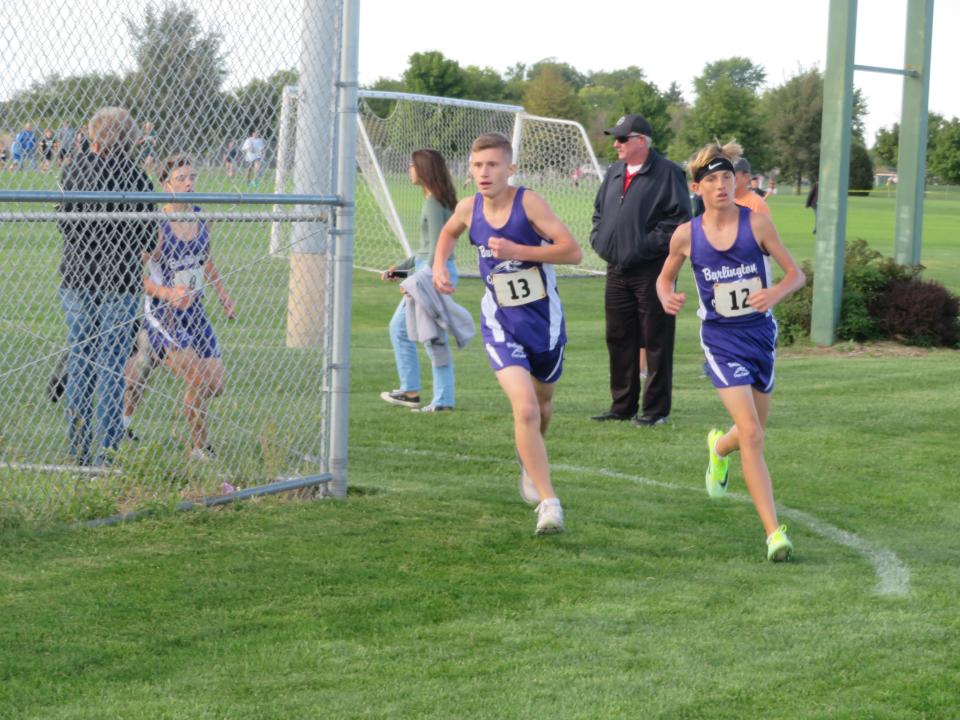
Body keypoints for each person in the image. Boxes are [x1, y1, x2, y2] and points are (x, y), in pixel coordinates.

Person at [655, 140, 806, 562]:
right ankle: (774, 533)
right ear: (697, 187)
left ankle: (719, 449)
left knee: (754, 428)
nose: (721, 186)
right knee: (754, 435)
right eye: (711, 180)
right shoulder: (686, 235)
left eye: (726, 177)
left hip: (760, 336)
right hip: (720, 340)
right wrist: (667, 295)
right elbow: (664, 279)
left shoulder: (756, 224)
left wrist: (774, 292)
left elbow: (796, 275)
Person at [433, 132, 582, 535]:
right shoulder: (468, 208)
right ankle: (549, 504)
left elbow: (572, 251)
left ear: (510, 169)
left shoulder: (529, 203)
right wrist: (438, 267)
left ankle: (530, 459)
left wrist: (521, 251)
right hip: (500, 322)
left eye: (493, 165)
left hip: (544, 321)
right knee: (526, 408)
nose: (484, 173)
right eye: (477, 165)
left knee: (543, 406)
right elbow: (448, 233)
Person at [57, 107, 156, 465]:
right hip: (122, 280)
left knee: (81, 359)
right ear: (131, 139)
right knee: (113, 366)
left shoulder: (74, 171)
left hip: (78, 277)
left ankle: (79, 449)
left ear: (94, 136)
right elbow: (148, 238)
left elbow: (64, 225)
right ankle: (106, 453)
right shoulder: (138, 179)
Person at [589, 114, 691, 426]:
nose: (616, 144)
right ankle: (622, 406)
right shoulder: (615, 172)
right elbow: (599, 212)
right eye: (615, 138)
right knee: (619, 337)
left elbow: (679, 219)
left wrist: (644, 246)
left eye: (622, 138)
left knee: (656, 339)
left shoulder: (668, 173)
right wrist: (601, 240)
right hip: (617, 270)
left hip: (652, 271)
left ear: (641, 141)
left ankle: (655, 410)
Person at [141, 155, 235, 460]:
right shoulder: (157, 224)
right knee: (195, 377)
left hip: (195, 310)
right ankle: (199, 447)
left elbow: (205, 259)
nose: (189, 183)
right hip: (163, 311)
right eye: (181, 178)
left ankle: (148, 359)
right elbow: (134, 274)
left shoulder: (202, 216)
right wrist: (168, 292)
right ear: (166, 183)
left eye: (192, 176)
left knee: (215, 384)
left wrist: (223, 295)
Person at [380, 149, 461, 412]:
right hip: (431, 271)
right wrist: (401, 270)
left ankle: (422, 394)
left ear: (424, 170)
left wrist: (416, 282)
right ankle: (427, 395)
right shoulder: (437, 201)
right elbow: (427, 249)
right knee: (416, 333)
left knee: (422, 335)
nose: (409, 169)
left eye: (412, 165)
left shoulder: (434, 204)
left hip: (433, 274)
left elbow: (439, 249)